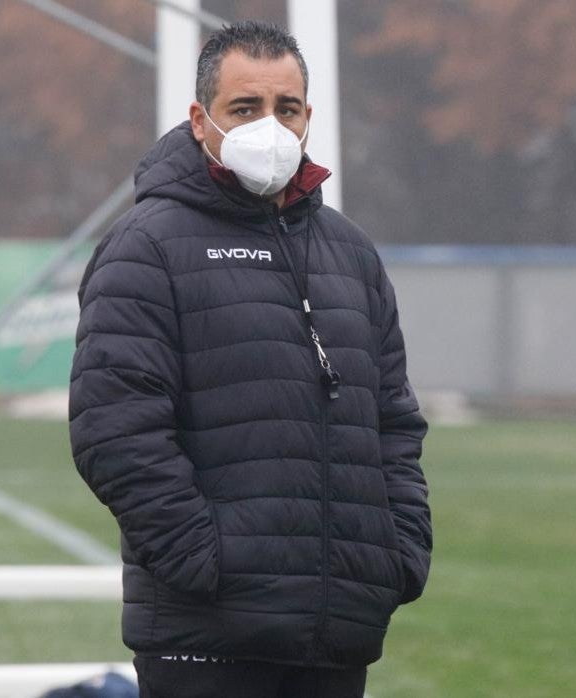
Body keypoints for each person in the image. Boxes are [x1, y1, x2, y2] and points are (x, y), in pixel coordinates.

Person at [68, 21, 431, 698]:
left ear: (307, 119)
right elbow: (114, 432)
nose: (269, 125)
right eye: (245, 108)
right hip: (206, 644)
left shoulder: (350, 252)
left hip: (336, 638)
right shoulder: (146, 247)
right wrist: (209, 565)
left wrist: (397, 555)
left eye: (285, 108)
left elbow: (395, 423)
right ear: (201, 121)